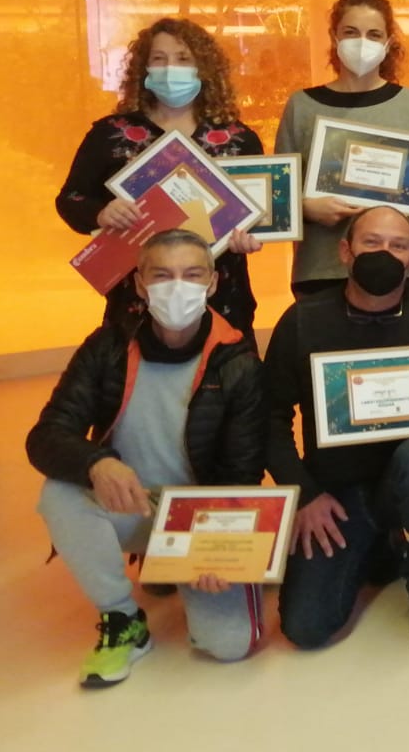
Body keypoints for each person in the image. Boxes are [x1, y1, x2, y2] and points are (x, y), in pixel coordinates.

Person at [26, 229, 267, 687]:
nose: (177, 287)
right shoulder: (107, 347)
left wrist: (217, 549)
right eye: (162, 275)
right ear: (139, 283)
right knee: (60, 491)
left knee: (229, 646)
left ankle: (190, 568)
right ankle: (122, 618)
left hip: (196, 518)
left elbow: (242, 472)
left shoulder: (238, 361)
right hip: (130, 501)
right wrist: (97, 462)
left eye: (192, 275)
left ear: (213, 283)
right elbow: (46, 435)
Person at [264, 205, 409, 649]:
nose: (384, 254)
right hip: (335, 492)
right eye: (371, 242)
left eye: (398, 245)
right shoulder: (302, 321)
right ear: (345, 251)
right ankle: (379, 544)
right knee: (306, 628)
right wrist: (304, 494)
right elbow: (270, 417)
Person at [56, 17, 264, 334]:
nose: (171, 69)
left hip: (221, 297)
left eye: (183, 59)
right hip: (136, 299)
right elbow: (70, 200)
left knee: (224, 366)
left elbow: (260, 215)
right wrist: (101, 213)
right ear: (144, 69)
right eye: (159, 59)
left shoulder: (239, 139)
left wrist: (250, 238)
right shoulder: (110, 134)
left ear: (204, 68)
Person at [274, 0, 409, 295]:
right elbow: (278, 193)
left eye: (374, 34)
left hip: (399, 270)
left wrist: (407, 222)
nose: (362, 42)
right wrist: (305, 209)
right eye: (351, 32)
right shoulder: (302, 106)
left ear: (388, 42)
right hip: (320, 271)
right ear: (334, 37)